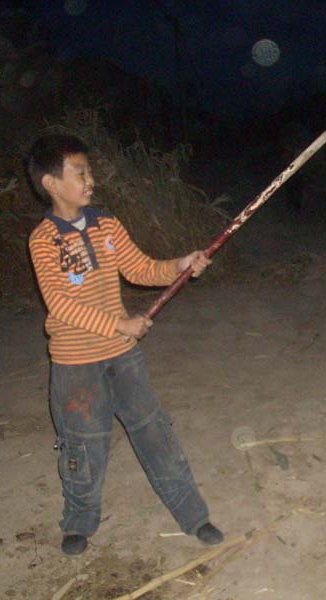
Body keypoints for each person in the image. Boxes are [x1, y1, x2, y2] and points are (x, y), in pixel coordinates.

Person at [26, 134, 223, 556]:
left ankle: (193, 515)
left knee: (155, 432)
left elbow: (141, 269)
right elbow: (59, 304)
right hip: (76, 363)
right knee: (83, 444)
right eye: (80, 173)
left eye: (89, 172)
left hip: (121, 355)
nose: (91, 180)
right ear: (51, 183)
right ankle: (79, 521)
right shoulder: (43, 240)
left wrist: (181, 264)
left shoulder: (107, 225)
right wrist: (119, 324)